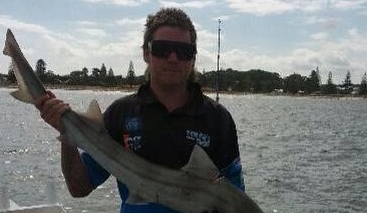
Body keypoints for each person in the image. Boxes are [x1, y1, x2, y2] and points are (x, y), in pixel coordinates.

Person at [36, 7, 245, 213]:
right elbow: (79, 187)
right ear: (146, 53)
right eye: (163, 49)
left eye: (183, 51)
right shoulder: (122, 113)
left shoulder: (218, 119)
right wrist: (66, 130)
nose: (173, 58)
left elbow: (234, 195)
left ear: (193, 58)